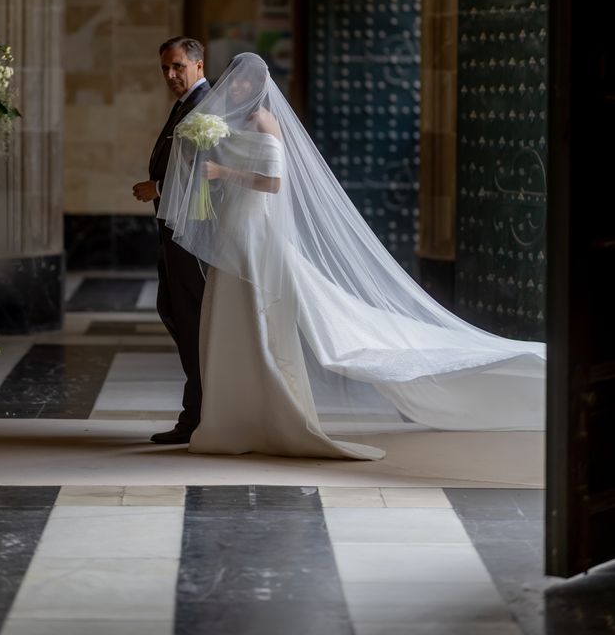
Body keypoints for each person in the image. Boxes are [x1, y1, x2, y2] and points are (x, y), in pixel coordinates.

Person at [158, 52, 546, 460]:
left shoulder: (263, 121)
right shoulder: (229, 123)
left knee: (257, 312)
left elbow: (273, 183)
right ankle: (234, 413)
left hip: (255, 230)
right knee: (229, 313)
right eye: (233, 80)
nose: (235, 87)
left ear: (258, 86)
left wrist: (223, 174)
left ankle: (265, 410)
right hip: (234, 227)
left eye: (243, 82)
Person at [132, 36, 210, 445]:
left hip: (190, 232)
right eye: (165, 68)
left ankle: (196, 417)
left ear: (199, 64)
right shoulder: (187, 105)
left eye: (178, 66)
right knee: (175, 313)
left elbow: (207, 169)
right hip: (174, 230)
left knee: (193, 322)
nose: (170, 75)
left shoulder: (206, 106)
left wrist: (158, 187)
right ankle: (201, 410)